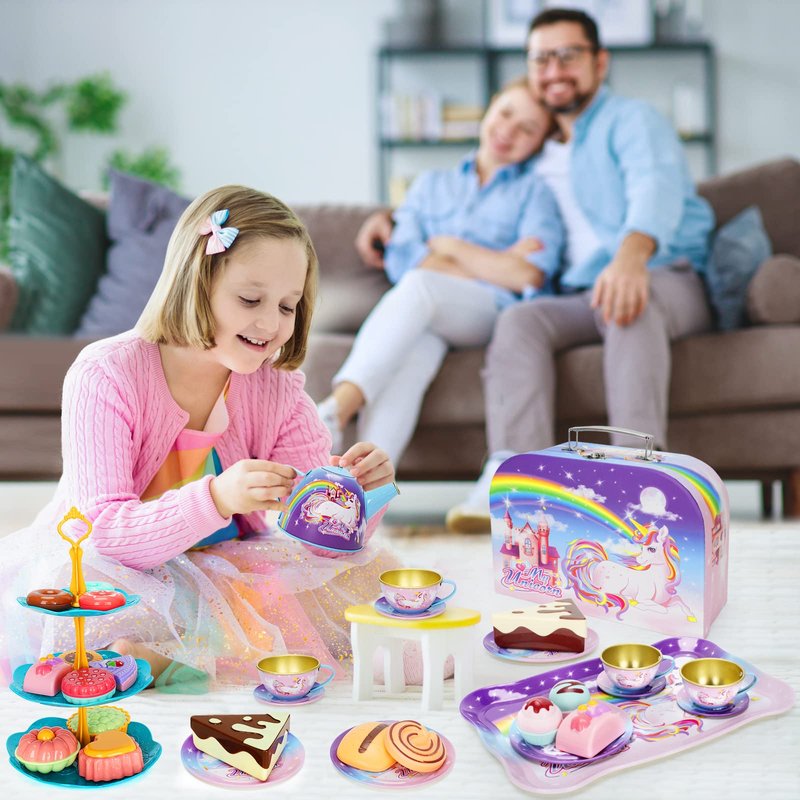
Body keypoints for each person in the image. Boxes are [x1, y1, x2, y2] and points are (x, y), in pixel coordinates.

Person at [0, 186, 399, 691]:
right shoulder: (106, 373)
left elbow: (316, 539)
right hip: (116, 560)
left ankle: (178, 652)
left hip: (220, 565)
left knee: (370, 576)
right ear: (195, 283)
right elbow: (103, 532)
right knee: (84, 591)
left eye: (288, 306)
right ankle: (180, 650)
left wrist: (357, 495)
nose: (270, 323)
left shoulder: (277, 388)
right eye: (250, 300)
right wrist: (217, 498)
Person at [356, 8, 716, 532]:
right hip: (579, 291)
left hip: (662, 271)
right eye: (541, 59)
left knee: (626, 303)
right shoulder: (539, 146)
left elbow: (653, 187)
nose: (554, 70)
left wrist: (631, 257)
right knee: (521, 321)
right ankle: (517, 477)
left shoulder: (631, 121)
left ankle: (635, 480)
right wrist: (391, 218)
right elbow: (473, 191)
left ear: (600, 62)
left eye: (568, 56)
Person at [319, 78, 564, 464]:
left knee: (423, 287)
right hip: (431, 315)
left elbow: (527, 276)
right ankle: (364, 485)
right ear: (490, 108)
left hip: (491, 312)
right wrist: (495, 262)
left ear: (539, 143)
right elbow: (404, 259)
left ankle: (336, 410)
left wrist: (448, 246)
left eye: (527, 129)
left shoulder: (536, 194)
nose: (508, 131)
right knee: (414, 358)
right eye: (505, 114)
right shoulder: (431, 185)